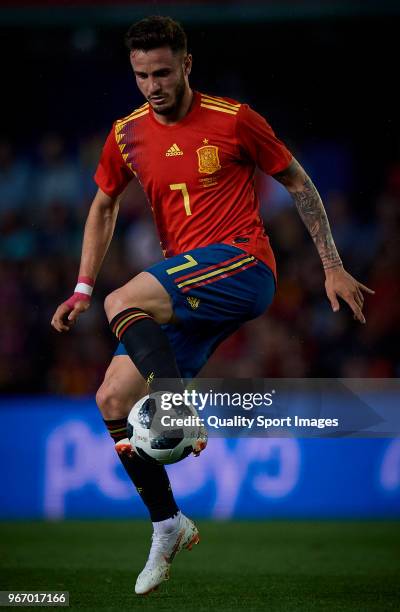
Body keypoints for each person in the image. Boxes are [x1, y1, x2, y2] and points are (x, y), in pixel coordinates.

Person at [51, 15, 374, 595]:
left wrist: (330, 264)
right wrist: (79, 286)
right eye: (141, 74)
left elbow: (299, 182)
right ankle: (168, 524)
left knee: (124, 299)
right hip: (190, 289)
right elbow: (103, 206)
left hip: (245, 266)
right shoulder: (126, 133)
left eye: (163, 72)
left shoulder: (234, 120)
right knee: (113, 397)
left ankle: (176, 411)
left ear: (187, 64)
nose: (153, 85)